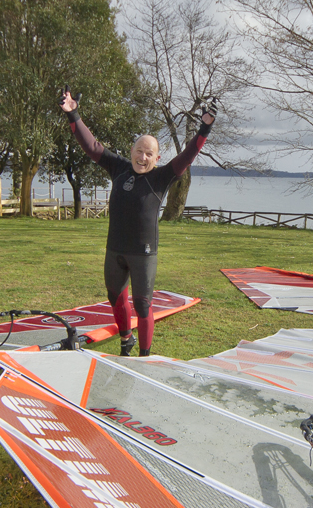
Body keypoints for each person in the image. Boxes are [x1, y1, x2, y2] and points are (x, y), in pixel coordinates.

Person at [61, 88, 213, 356]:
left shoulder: (162, 177)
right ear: (132, 150)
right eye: (139, 151)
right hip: (115, 250)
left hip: (143, 254)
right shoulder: (118, 168)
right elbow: (91, 146)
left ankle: (144, 355)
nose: (142, 158)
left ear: (157, 159)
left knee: (143, 305)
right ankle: (125, 339)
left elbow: (187, 156)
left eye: (149, 154)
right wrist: (73, 113)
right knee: (115, 298)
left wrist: (203, 130)